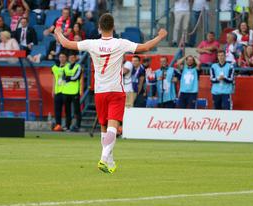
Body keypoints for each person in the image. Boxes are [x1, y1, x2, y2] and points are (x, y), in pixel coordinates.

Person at [54, 13, 168, 173]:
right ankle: (103, 158)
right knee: (113, 127)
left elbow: (67, 43)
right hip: (115, 90)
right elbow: (145, 48)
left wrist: (58, 33)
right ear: (113, 27)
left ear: (99, 28)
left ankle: (111, 161)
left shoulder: (92, 44)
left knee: (103, 127)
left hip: (100, 92)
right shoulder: (120, 43)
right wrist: (160, 36)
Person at [62, 51, 82, 132]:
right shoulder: (66, 66)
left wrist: (68, 78)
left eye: (73, 58)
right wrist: (69, 78)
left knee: (77, 110)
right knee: (67, 110)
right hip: (66, 91)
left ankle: (77, 125)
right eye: (70, 58)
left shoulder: (78, 66)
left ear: (75, 58)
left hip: (74, 91)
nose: (71, 59)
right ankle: (67, 125)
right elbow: (63, 76)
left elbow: (76, 77)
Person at [51, 52, 68, 132]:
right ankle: (58, 125)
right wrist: (53, 90)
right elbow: (54, 79)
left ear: (66, 58)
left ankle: (68, 125)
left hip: (66, 91)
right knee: (57, 109)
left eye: (63, 57)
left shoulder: (69, 67)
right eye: (60, 57)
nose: (62, 59)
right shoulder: (54, 68)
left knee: (67, 110)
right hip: (58, 91)